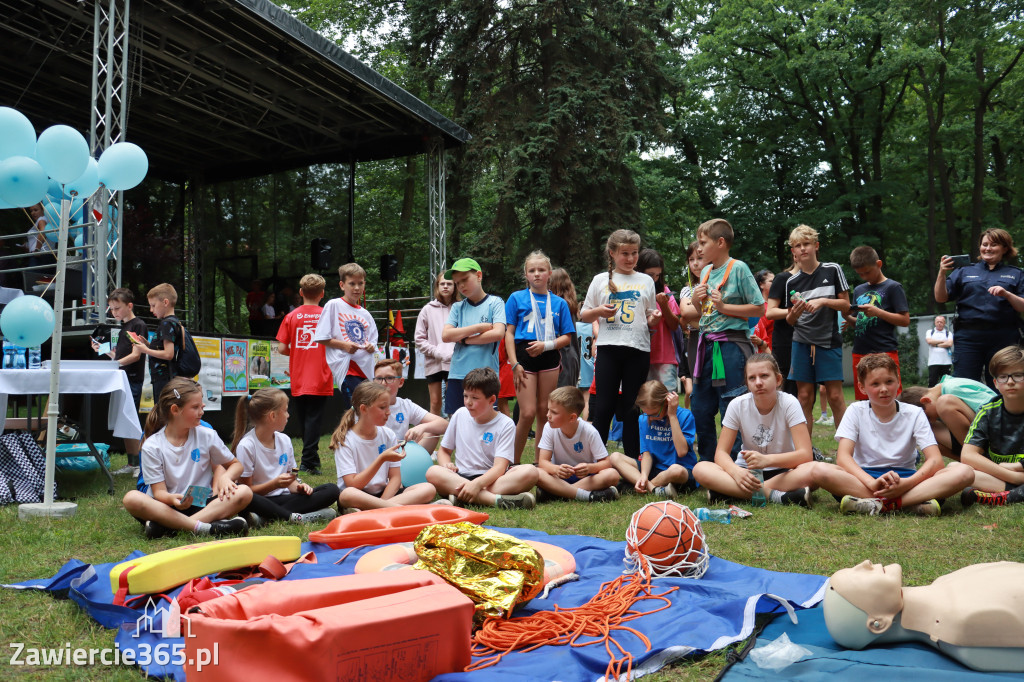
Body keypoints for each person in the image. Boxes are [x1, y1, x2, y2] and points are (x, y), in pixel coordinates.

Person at [809, 354, 974, 516]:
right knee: (819, 470)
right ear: (862, 388)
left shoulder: (914, 413)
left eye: (889, 381)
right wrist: (871, 483)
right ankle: (911, 503)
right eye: (875, 384)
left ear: (898, 382)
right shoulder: (855, 411)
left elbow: (935, 461)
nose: (884, 389)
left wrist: (906, 484)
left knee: (964, 471)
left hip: (907, 479)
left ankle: (881, 504)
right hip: (864, 478)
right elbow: (843, 457)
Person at [825, 560, 1024, 673]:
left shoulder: (945, 583)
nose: (864, 563)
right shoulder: (964, 621)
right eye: (856, 577)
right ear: (878, 624)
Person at [122, 378, 252, 538]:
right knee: (131, 498)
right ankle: (207, 527)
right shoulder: (152, 445)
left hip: (201, 503)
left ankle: (173, 528)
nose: (202, 411)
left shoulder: (207, 434)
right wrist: (172, 499)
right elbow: (159, 492)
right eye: (195, 407)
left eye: (201, 405)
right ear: (175, 410)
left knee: (244, 492)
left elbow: (236, 465)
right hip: (167, 506)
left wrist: (226, 477)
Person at [681, 219, 763, 461]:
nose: (699, 248)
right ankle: (707, 464)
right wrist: (697, 300)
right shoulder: (706, 271)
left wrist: (725, 306)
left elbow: (759, 308)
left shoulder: (738, 268)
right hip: (705, 345)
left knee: (732, 404)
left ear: (720, 242)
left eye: (703, 243)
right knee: (700, 406)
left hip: (731, 346)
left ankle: (736, 463)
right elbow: (703, 310)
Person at [692, 353, 815, 506]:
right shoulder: (737, 405)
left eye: (764, 376)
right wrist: (735, 472)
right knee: (700, 468)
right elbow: (721, 453)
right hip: (747, 472)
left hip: (784, 471)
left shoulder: (790, 402)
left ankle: (730, 492)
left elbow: (805, 454)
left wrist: (767, 460)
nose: (758, 382)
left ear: (778, 380)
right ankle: (778, 496)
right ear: (747, 383)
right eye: (752, 378)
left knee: (813, 472)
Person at [580, 230, 660, 461]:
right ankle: (596, 458)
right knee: (603, 406)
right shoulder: (600, 280)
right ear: (612, 253)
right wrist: (598, 311)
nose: (630, 258)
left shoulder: (645, 281)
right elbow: (584, 315)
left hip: (637, 349)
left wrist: (652, 319)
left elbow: (648, 316)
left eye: (634, 253)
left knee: (632, 407)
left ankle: (633, 459)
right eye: (624, 253)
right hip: (608, 348)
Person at [768, 225, 849, 437]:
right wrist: (794, 312)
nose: (803, 249)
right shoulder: (791, 281)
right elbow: (791, 320)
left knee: (835, 396)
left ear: (816, 246)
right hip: (801, 342)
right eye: (798, 245)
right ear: (793, 252)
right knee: (803, 396)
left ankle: (846, 451)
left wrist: (823, 301)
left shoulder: (832, 270)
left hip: (828, 340)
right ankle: (805, 451)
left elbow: (846, 305)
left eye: (806, 244)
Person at [425, 368, 539, 509]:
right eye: (465, 396)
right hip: (460, 477)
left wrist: (477, 485)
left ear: (491, 399)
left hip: (492, 480)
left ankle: (463, 497)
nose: (468, 402)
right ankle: (495, 500)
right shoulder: (460, 414)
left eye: (475, 398)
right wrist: (446, 464)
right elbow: (444, 451)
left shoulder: (506, 424)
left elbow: (499, 467)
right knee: (433, 471)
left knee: (530, 472)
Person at [505, 251, 575, 464]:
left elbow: (567, 337)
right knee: (526, 413)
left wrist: (546, 346)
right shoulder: (516, 298)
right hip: (523, 357)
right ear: (526, 274)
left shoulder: (559, 304)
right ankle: (512, 464)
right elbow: (508, 333)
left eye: (541, 270)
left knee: (545, 411)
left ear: (549, 274)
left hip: (549, 357)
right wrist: (514, 363)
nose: (537, 274)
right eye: (532, 270)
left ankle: (540, 463)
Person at [232, 388, 340, 526]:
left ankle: (265, 518)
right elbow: (246, 491)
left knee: (331, 490)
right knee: (247, 501)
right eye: (285, 410)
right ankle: (295, 517)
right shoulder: (247, 445)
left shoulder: (285, 440)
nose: (288, 415)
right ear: (272, 416)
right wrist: (274, 484)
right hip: (259, 501)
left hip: (286, 498)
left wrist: (299, 487)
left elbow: (292, 477)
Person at [934, 228, 1024, 387]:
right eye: (984, 244)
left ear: (1005, 248)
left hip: (1003, 337)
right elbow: (940, 298)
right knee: (964, 385)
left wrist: (1007, 294)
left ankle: (1000, 412)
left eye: (994, 244)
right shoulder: (964, 271)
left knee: (1002, 382)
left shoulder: (1016, 273)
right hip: (969, 337)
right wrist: (942, 273)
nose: (988, 248)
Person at [332, 381, 439, 510]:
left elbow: (395, 478)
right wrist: (381, 459)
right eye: (382, 408)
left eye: (388, 407)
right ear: (364, 409)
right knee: (347, 495)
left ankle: (377, 510)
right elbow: (353, 484)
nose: (388, 412)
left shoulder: (388, 434)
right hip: (358, 495)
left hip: (385, 495)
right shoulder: (345, 440)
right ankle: (397, 508)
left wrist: (384, 502)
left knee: (428, 488)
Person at [275, 274, 334, 475]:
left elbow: (282, 348)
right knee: (314, 420)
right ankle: (308, 462)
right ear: (322, 294)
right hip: (320, 375)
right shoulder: (327, 315)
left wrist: (299, 351)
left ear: (301, 293)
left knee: (304, 420)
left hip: (299, 376)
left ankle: (310, 459)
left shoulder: (291, 316)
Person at [92, 287, 148, 473]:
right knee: (124, 421)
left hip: (131, 379)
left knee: (131, 422)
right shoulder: (124, 326)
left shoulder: (138, 325)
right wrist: (102, 350)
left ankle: (141, 464)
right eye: (112, 309)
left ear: (129, 306)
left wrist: (114, 365)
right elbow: (118, 357)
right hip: (122, 378)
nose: (114, 312)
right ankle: (132, 463)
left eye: (117, 308)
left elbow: (135, 356)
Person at [959, 346, 1024, 507]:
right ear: (995, 383)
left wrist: (1016, 466)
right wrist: (1015, 477)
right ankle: (1014, 489)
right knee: (957, 469)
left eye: (1017, 375)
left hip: (1007, 473)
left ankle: (1005, 495)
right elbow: (968, 456)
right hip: (1001, 475)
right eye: (1003, 377)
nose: (1010, 382)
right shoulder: (988, 411)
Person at [441, 258, 506, 415]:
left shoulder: (495, 303)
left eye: (464, 279)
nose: (461, 286)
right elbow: (446, 335)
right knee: (457, 419)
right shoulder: (457, 307)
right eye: (457, 283)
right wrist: (478, 328)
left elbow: (497, 333)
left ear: (479, 275)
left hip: (486, 376)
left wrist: (465, 339)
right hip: (458, 374)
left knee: (485, 420)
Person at [609, 380, 696, 498]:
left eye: (654, 414)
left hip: (679, 471)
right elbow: (647, 453)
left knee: (676, 470)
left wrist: (672, 416)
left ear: (666, 403)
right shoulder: (644, 419)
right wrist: (644, 475)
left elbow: (681, 452)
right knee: (615, 457)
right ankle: (652, 488)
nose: (650, 418)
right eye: (646, 414)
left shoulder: (685, 416)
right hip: (655, 469)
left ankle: (638, 485)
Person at [845, 246, 910, 401]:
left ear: (879, 264)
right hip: (860, 352)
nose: (864, 277)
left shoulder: (893, 287)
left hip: (884, 351)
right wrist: (846, 317)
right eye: (860, 274)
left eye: (867, 272)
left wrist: (877, 311)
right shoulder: (860, 289)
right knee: (864, 398)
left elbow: (905, 320)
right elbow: (860, 323)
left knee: (890, 398)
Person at [535, 387, 620, 502]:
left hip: (585, 478)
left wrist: (589, 468)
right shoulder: (549, 427)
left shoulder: (590, 431)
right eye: (549, 410)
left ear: (572, 417)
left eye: (554, 412)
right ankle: (584, 495)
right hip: (560, 478)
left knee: (613, 475)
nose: (548, 415)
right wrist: (556, 469)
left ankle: (558, 493)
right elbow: (543, 462)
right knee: (537, 473)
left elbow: (606, 462)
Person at [313, 263, 377, 411]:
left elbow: (372, 340)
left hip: (366, 369)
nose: (356, 288)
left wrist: (371, 346)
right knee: (357, 411)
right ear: (342, 285)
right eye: (352, 283)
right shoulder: (334, 305)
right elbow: (321, 337)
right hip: (347, 368)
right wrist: (345, 346)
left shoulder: (365, 313)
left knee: (368, 411)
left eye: (360, 283)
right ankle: (348, 434)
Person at [900, 376, 995, 461]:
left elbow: (995, 410)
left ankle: (976, 456)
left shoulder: (952, 387)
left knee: (945, 404)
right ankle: (976, 462)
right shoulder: (940, 394)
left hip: (996, 430)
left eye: (927, 417)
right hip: (979, 437)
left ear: (926, 400)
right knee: (929, 433)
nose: (931, 421)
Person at [374, 358, 448, 451]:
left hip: (403, 456)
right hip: (377, 456)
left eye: (389, 378)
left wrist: (422, 427)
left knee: (432, 431)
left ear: (400, 382)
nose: (383, 383)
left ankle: (417, 463)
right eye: (379, 378)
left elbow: (444, 424)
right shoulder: (367, 405)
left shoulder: (406, 405)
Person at [638, 248, 682, 392]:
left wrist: (664, 305)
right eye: (650, 274)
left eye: (658, 275)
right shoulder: (632, 290)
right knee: (642, 403)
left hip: (664, 357)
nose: (654, 279)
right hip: (638, 355)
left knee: (667, 400)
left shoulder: (664, 290)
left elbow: (675, 325)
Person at [414, 272, 456, 416]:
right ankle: (433, 435)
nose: (445, 286)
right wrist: (436, 352)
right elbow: (419, 339)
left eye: (449, 283)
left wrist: (454, 352)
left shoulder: (460, 307)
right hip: (434, 361)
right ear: (437, 287)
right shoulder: (428, 309)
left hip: (455, 361)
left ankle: (455, 434)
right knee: (435, 402)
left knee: (454, 401)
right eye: (442, 283)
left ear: (455, 286)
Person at [134, 283, 180, 402]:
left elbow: (168, 354)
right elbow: (165, 350)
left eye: (153, 305)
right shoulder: (172, 322)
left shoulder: (167, 323)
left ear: (165, 302)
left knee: (162, 413)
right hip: (165, 377)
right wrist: (148, 345)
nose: (151, 310)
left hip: (165, 378)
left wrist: (145, 350)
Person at [765, 258, 800, 397]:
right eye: (798, 246)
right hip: (786, 344)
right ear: (794, 255)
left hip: (809, 341)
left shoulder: (813, 279)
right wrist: (795, 311)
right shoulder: (783, 278)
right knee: (786, 391)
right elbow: (770, 312)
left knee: (804, 393)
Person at [678, 241, 704, 406]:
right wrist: (712, 308)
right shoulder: (687, 289)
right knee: (698, 386)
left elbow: (689, 315)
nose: (695, 263)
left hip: (719, 338)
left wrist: (694, 318)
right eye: (691, 259)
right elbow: (685, 313)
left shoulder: (719, 285)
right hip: (695, 340)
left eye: (700, 258)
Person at [549, 267, 581, 390]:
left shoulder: (560, 305)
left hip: (563, 357)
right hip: (572, 357)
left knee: (560, 399)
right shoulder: (570, 304)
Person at [925, 315, 954, 387]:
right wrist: (943, 341)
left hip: (946, 362)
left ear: (944, 323)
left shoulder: (948, 333)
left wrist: (936, 345)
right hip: (933, 362)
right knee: (932, 383)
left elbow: (950, 343)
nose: (939, 323)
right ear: (935, 323)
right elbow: (929, 341)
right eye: (937, 322)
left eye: (941, 322)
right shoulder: (930, 332)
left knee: (946, 384)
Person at [750, 269, 774, 353]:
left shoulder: (774, 306)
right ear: (761, 285)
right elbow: (758, 332)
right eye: (771, 281)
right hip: (764, 353)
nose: (775, 284)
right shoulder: (760, 308)